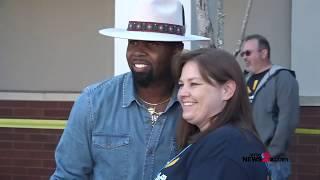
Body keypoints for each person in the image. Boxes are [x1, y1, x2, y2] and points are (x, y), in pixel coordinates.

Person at [50, 0, 209, 179]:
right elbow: (68, 175)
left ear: (176, 50)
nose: (138, 51)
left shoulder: (194, 105)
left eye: (152, 43)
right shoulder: (93, 102)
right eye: (133, 42)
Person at [155, 48, 268, 180]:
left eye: (194, 84)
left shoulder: (225, 145)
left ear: (227, 90)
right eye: (181, 84)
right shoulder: (218, 140)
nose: (182, 93)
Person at [240, 34, 300, 180]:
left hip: (272, 162)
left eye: (248, 52)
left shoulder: (283, 78)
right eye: (242, 54)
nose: (244, 57)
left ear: (264, 53)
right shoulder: (245, 80)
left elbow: (287, 121)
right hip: (246, 158)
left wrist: (269, 156)